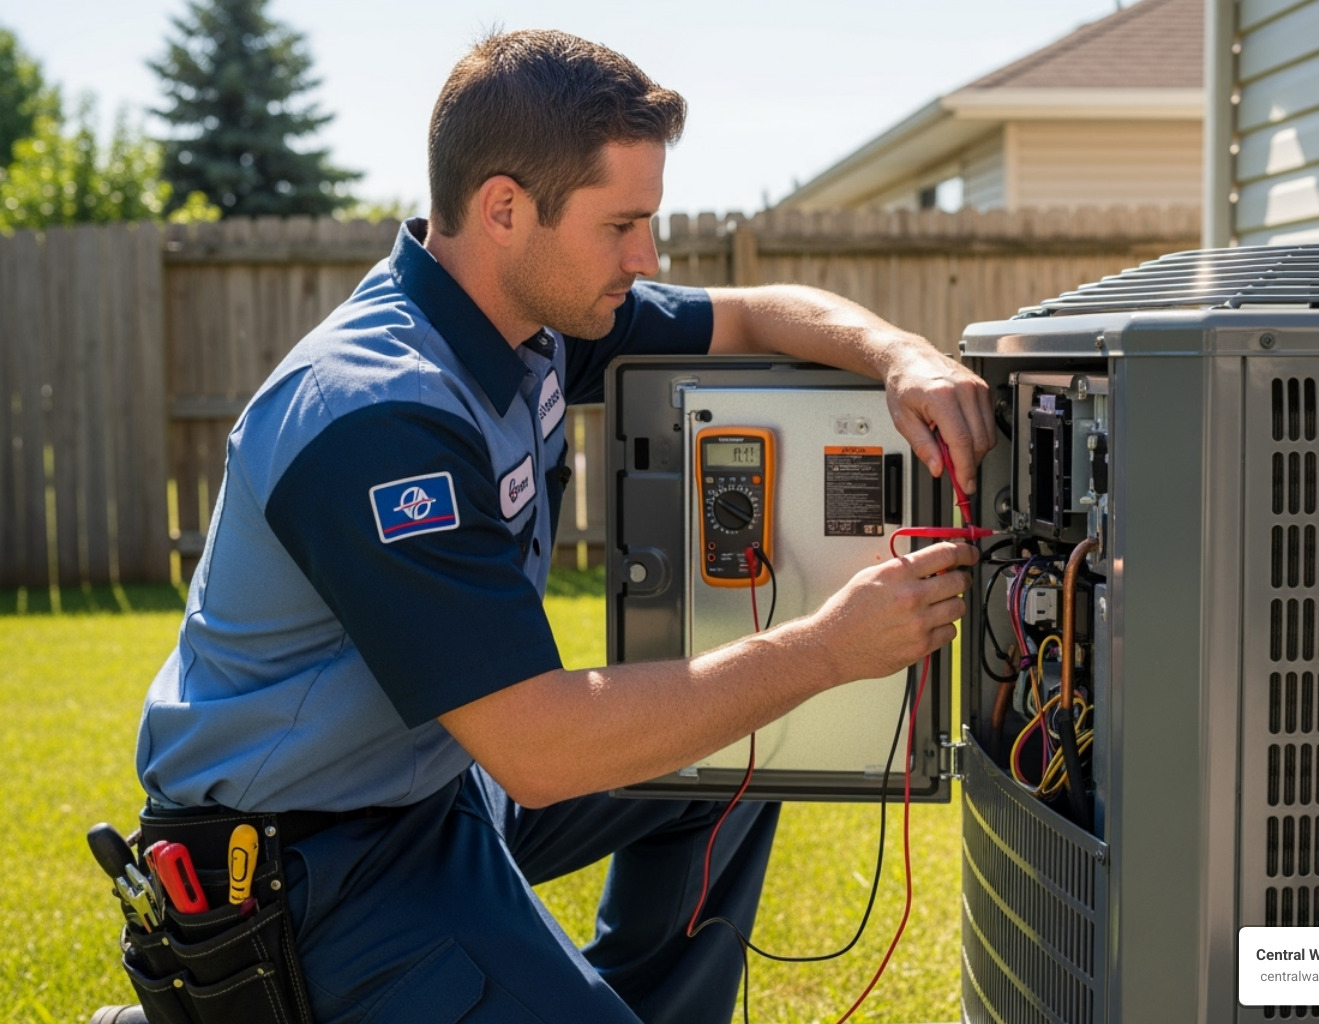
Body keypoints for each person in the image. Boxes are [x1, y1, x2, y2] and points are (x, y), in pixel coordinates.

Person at [131, 28, 992, 1024]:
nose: (648, 256)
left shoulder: (526, 321)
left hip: (429, 787)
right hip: (303, 861)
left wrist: (901, 355)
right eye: (622, 224)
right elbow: (543, 750)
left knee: (744, 752)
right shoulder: (377, 417)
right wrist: (830, 647)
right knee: (759, 698)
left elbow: (755, 313)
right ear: (505, 209)